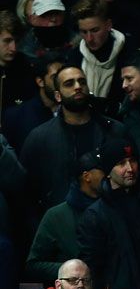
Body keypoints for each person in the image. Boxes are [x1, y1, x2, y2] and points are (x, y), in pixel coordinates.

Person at [19, 64, 128, 212]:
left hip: (109, 217)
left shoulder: (114, 130)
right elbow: (26, 192)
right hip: (60, 223)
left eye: (82, 82)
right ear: (58, 96)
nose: (78, 86)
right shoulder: (39, 138)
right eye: (69, 83)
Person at [76, 136, 140, 289]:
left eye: (133, 161)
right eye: (121, 163)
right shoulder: (96, 215)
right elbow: (93, 270)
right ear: (107, 170)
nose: (130, 169)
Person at [24, 151, 103, 284]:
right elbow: (33, 266)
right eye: (102, 171)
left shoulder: (113, 210)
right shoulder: (56, 216)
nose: (108, 176)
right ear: (87, 176)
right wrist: (70, 271)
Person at [66, 0, 130, 116]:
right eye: (84, 32)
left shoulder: (129, 55)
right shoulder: (75, 57)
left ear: (108, 25)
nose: (89, 38)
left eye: (95, 30)